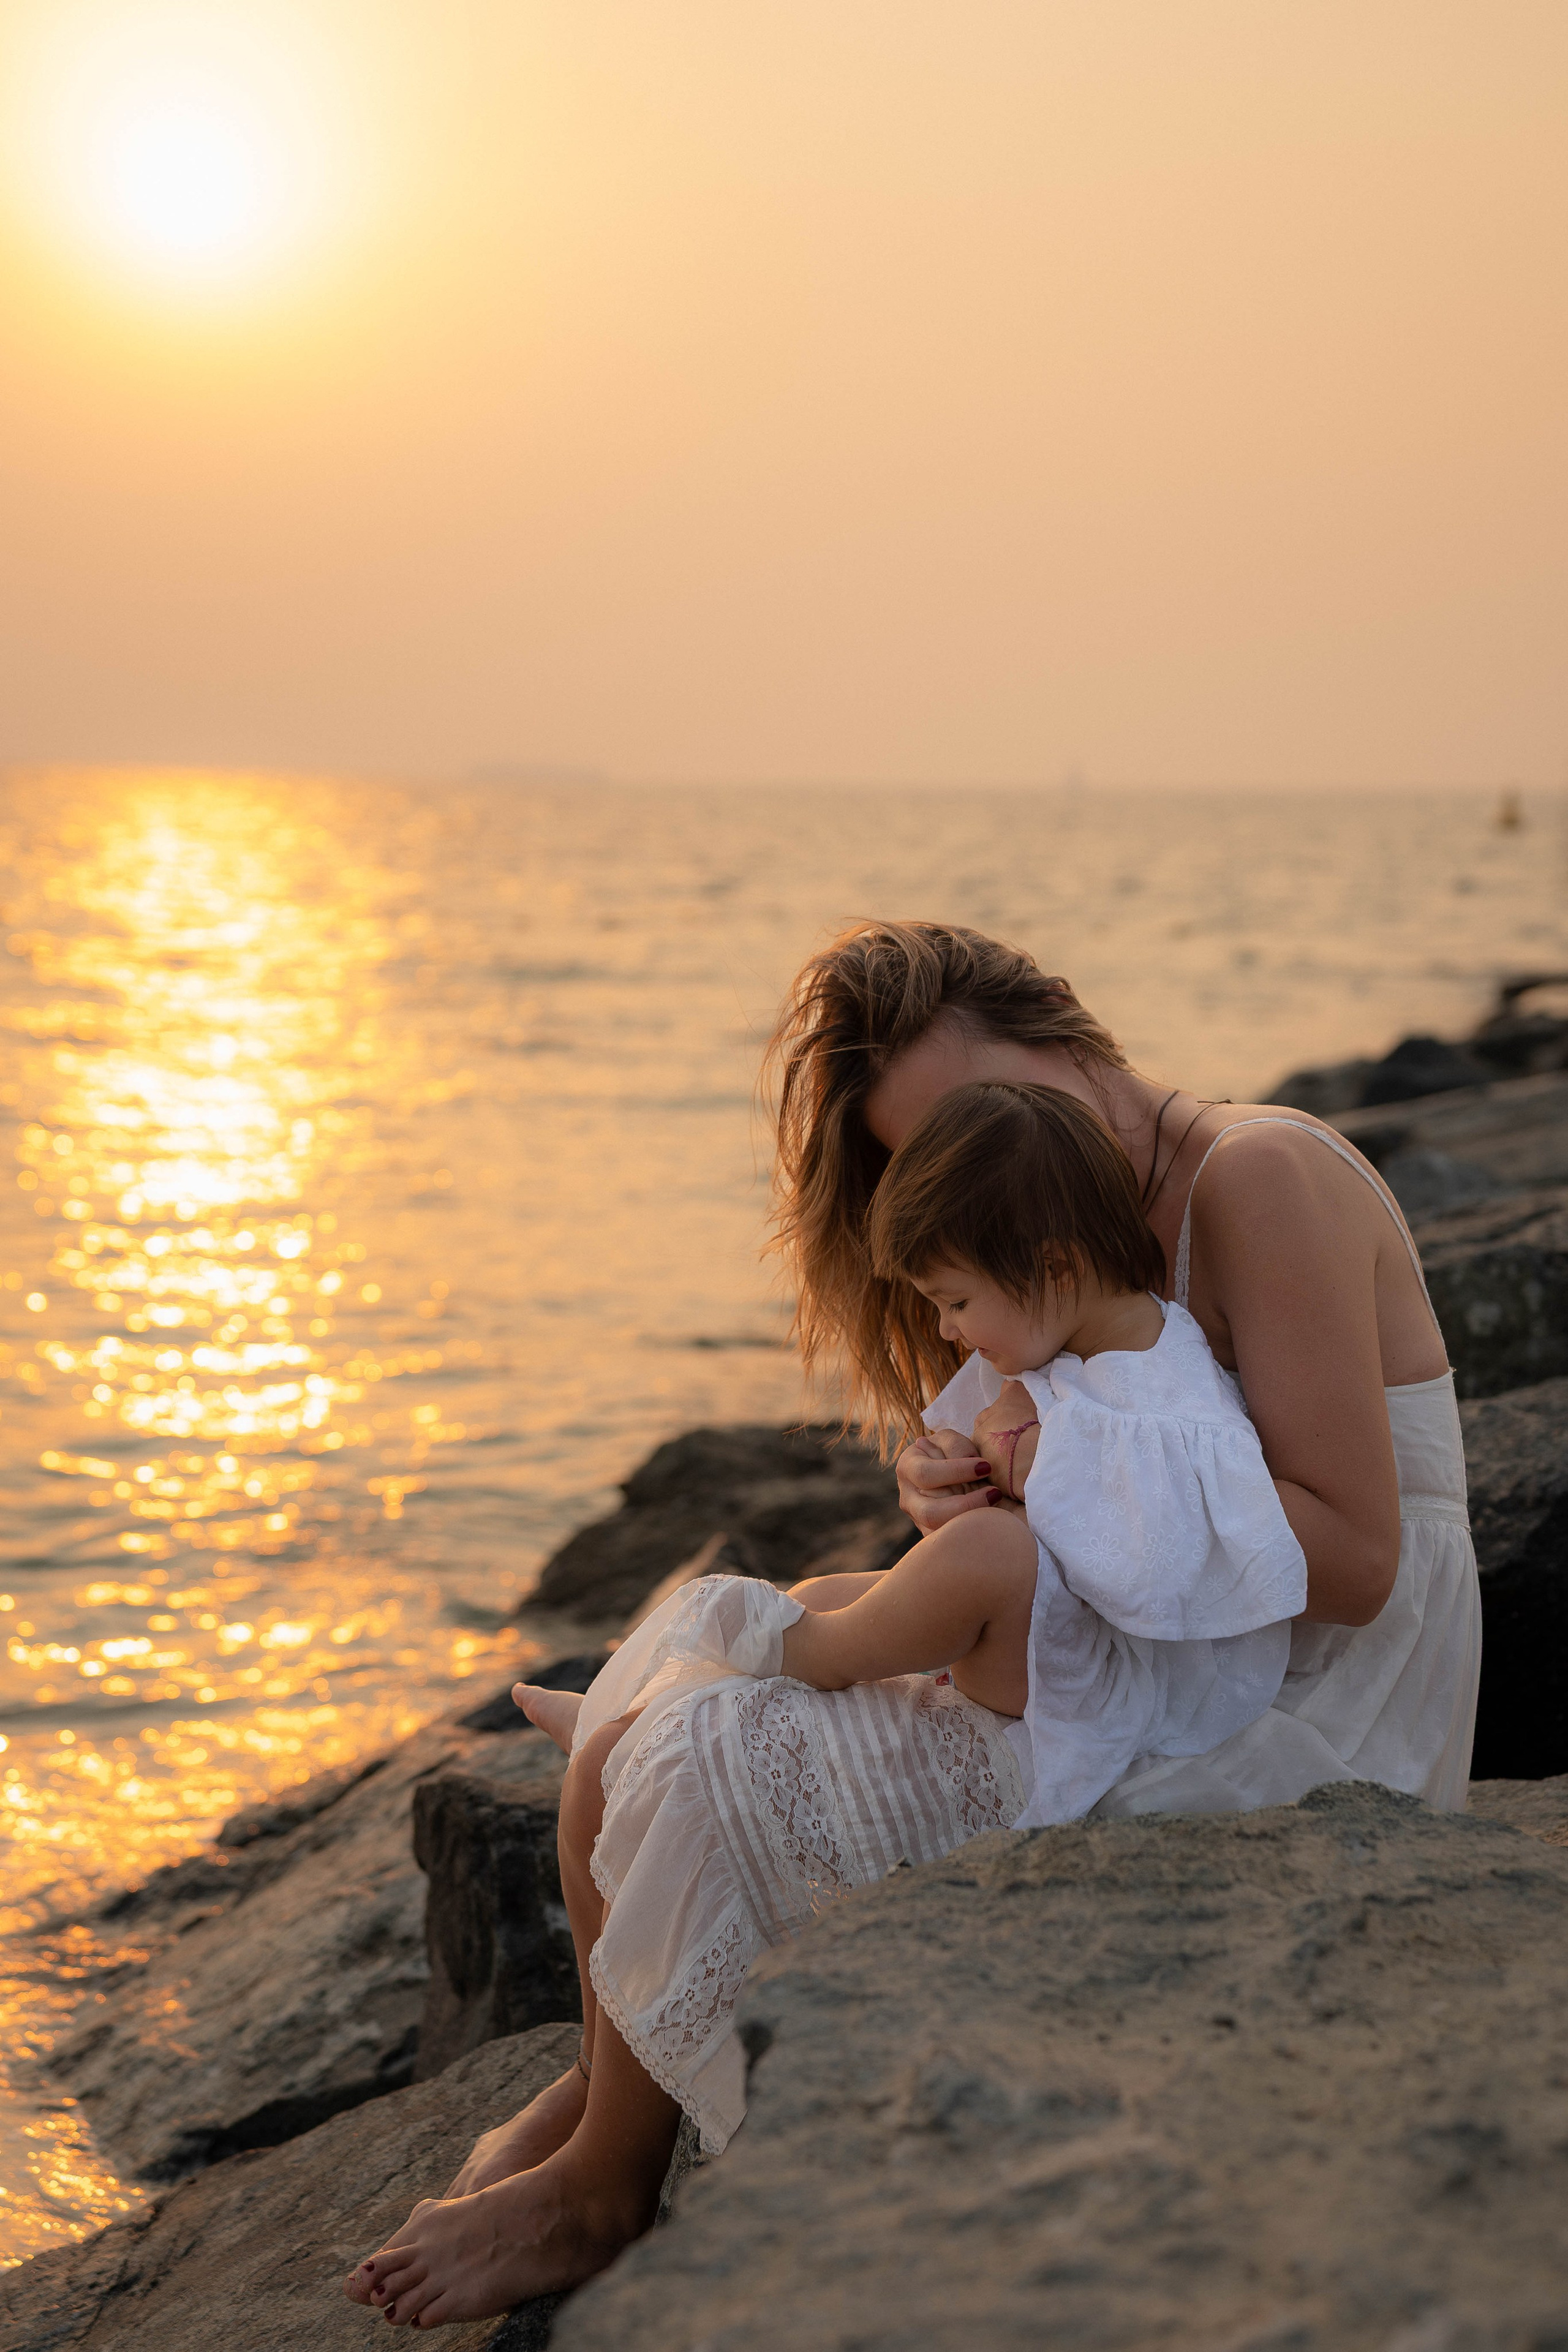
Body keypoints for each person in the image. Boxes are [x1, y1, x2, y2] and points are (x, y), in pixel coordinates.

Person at [345, 919, 1480, 2327]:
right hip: (1172, 1664)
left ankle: (603, 2181)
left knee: (691, 1747)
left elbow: (1354, 1561)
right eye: (927, 1148)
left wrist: (1053, 1491)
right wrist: (953, 1484)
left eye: (980, 1104)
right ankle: (610, 2082)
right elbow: (1129, 1470)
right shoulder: (1065, 1230)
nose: (972, 1154)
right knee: (692, 1714)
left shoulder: (1254, 1177)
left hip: (1310, 1704)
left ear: (1059, 1022)